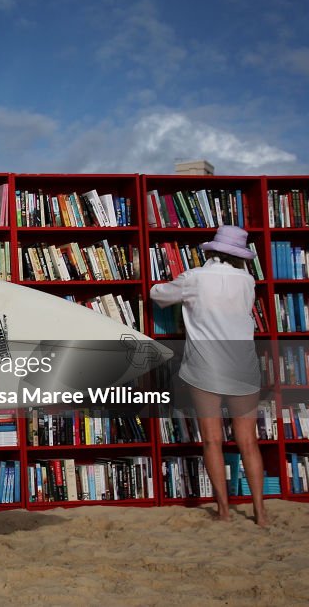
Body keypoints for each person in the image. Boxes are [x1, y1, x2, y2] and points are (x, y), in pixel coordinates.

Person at [150, 224, 269, 526]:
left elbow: (159, 295)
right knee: (248, 442)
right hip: (243, 367)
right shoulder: (247, 281)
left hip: (207, 367)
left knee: (212, 441)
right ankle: (260, 513)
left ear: (212, 251)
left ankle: (224, 512)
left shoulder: (195, 278)